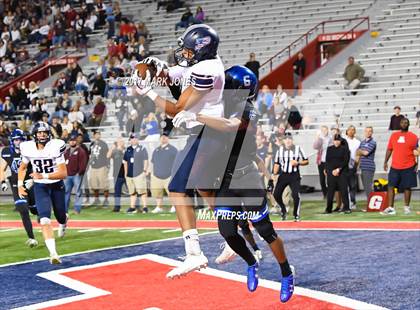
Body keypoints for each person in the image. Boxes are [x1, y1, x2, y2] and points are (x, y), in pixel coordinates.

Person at [176, 65, 295, 303]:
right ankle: (251, 263)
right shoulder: (223, 106)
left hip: (247, 177)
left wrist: (196, 116)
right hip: (226, 179)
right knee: (227, 231)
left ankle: (286, 273)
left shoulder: (247, 108)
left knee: (266, 231)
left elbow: (229, 125)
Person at [136, 24, 225, 278]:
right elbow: (172, 75)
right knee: (205, 189)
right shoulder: (201, 63)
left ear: (202, 50)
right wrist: (153, 68)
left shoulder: (208, 69)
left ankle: (195, 252)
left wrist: (149, 92)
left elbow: (176, 109)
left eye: (188, 50)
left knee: (177, 188)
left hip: (209, 133)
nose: (183, 54)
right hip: (203, 134)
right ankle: (233, 233)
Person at [18, 122, 68, 264]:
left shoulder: (55, 146)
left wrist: (43, 176)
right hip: (41, 187)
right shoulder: (28, 148)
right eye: (39, 133)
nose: (42, 135)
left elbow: (63, 173)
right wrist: (20, 185)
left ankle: (64, 220)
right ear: (34, 135)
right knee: (45, 219)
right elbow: (22, 168)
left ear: (49, 134)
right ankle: (53, 254)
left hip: (56, 185)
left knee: (60, 217)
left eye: (45, 132)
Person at [0, 129, 38, 248]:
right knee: (22, 209)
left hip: (29, 182)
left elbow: (37, 166)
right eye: (16, 140)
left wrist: (33, 180)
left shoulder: (30, 151)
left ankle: (37, 212)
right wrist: (3, 181)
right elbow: (2, 168)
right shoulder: (7, 152)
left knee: (34, 209)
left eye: (20, 139)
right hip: (16, 183)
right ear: (12, 141)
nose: (18, 142)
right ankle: (31, 238)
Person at [382, 118, 418, 215]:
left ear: (408, 124)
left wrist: (417, 164)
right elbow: (389, 149)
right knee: (390, 186)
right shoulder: (394, 136)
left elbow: (417, 151)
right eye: (402, 122)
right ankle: (391, 208)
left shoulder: (414, 137)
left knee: (407, 187)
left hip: (409, 166)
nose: (404, 124)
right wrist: (385, 161)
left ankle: (406, 207)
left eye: (406, 122)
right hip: (395, 166)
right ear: (399, 124)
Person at [272, 133, 308, 221]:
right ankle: (283, 210)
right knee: (276, 194)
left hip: (294, 175)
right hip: (283, 175)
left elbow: (306, 161)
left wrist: (298, 163)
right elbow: (277, 163)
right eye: (286, 139)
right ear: (283, 141)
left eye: (289, 139)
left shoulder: (298, 149)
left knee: (295, 195)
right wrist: (273, 174)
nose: (288, 141)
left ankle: (296, 215)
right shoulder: (279, 150)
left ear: (292, 140)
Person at [150, 133, 178, 213]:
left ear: (168, 138)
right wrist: (151, 172)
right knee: (158, 193)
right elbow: (152, 162)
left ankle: (174, 206)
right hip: (157, 176)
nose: (163, 138)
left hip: (169, 175)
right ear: (160, 139)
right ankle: (159, 207)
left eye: (165, 137)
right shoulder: (156, 150)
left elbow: (177, 162)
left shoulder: (173, 149)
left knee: (171, 193)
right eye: (162, 137)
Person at [324, 134, 351, 214]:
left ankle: (346, 208)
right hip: (331, 172)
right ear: (333, 141)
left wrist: (338, 169)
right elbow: (327, 160)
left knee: (343, 190)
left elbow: (346, 161)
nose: (336, 142)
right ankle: (328, 209)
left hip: (342, 172)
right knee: (330, 191)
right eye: (335, 140)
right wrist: (330, 170)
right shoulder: (329, 149)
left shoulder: (345, 149)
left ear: (340, 141)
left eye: (338, 140)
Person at [123, 133, 149, 213]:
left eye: (135, 138)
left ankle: (145, 207)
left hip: (139, 173)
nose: (134, 140)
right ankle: (132, 207)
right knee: (132, 192)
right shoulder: (128, 149)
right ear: (130, 140)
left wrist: (144, 170)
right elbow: (125, 162)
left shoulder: (142, 148)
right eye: (132, 138)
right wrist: (126, 172)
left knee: (142, 191)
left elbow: (145, 160)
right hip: (130, 174)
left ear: (138, 139)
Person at [64, 133, 88, 214]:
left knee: (78, 192)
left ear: (76, 141)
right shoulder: (66, 151)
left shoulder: (81, 151)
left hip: (76, 175)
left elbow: (83, 163)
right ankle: (64, 210)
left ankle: (77, 209)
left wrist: (79, 172)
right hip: (67, 175)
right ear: (69, 142)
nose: (72, 142)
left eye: (74, 140)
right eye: (71, 141)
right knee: (66, 193)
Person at [88, 131, 110, 206]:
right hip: (93, 167)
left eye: (99, 134)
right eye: (96, 134)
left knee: (104, 184)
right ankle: (96, 199)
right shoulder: (92, 144)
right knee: (94, 185)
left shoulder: (103, 144)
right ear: (94, 136)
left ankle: (106, 200)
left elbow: (107, 155)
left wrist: (107, 165)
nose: (98, 136)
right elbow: (89, 155)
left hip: (102, 166)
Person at [356, 127, 376, 199]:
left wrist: (360, 151)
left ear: (372, 132)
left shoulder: (373, 142)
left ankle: (371, 204)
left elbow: (366, 153)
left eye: (370, 131)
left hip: (369, 167)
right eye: (366, 131)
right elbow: (358, 153)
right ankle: (370, 203)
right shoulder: (362, 142)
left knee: (368, 187)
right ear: (364, 132)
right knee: (366, 187)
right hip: (362, 167)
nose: (368, 132)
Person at [107, 138, 126, 212]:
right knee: (117, 192)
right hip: (117, 174)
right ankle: (117, 207)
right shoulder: (114, 151)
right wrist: (112, 147)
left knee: (132, 191)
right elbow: (108, 156)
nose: (121, 143)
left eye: (122, 141)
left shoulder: (127, 150)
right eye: (120, 141)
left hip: (127, 174)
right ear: (117, 143)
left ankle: (134, 206)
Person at [344, 125, 360, 209]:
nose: (351, 131)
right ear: (347, 131)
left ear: (355, 131)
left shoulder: (357, 142)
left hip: (352, 166)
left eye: (353, 130)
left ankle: (353, 202)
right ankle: (346, 202)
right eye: (349, 130)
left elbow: (358, 155)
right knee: (344, 185)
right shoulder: (343, 141)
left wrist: (356, 166)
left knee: (352, 185)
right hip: (343, 166)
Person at [313, 126, 331, 199]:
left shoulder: (330, 138)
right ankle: (325, 194)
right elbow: (315, 147)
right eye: (322, 130)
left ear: (327, 130)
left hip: (329, 161)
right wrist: (317, 138)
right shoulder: (320, 139)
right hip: (321, 162)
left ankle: (330, 194)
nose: (324, 131)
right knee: (322, 179)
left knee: (330, 179)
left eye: (325, 130)